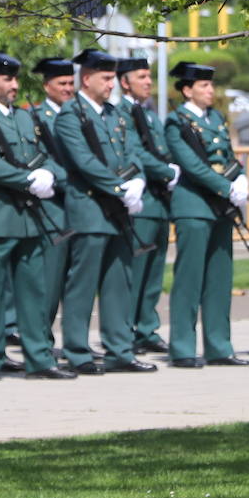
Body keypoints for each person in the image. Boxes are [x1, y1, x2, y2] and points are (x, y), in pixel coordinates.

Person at [0, 50, 75, 381]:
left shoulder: (25, 117)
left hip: (29, 218)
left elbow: (47, 154)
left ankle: (39, 357)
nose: (14, 84)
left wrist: (51, 175)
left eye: (15, 78)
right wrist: (30, 179)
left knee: (34, 292)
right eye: (7, 79)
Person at [55, 49, 155, 375]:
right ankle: (77, 351)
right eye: (106, 78)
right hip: (90, 209)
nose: (112, 84)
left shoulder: (115, 115)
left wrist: (137, 181)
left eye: (113, 78)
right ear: (87, 79)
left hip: (119, 210)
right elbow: (84, 162)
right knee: (82, 284)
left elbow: (133, 153)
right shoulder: (71, 115)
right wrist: (119, 188)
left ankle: (119, 349)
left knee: (118, 281)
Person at [164, 61, 249, 368]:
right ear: (187, 90)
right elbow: (193, 166)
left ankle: (219, 346)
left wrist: (239, 176)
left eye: (211, 85)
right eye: (203, 85)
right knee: (189, 280)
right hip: (194, 207)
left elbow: (226, 155)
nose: (210, 90)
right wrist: (226, 188)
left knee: (219, 279)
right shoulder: (177, 122)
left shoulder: (215, 117)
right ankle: (183, 348)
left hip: (219, 210)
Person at [116, 57, 179, 356]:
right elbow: (136, 152)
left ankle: (146, 328)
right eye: (141, 77)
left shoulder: (151, 115)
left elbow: (162, 148)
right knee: (135, 270)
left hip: (160, 202)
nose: (148, 82)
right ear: (124, 82)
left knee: (154, 272)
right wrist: (167, 171)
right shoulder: (121, 114)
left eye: (149, 76)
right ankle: (124, 329)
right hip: (141, 202)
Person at [27, 58, 75, 346]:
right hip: (53, 204)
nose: (68, 89)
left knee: (76, 281)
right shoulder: (37, 118)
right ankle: (41, 340)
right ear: (47, 86)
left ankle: (74, 342)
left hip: (81, 203)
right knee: (50, 279)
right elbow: (39, 156)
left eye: (71, 83)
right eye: (62, 84)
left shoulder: (80, 114)